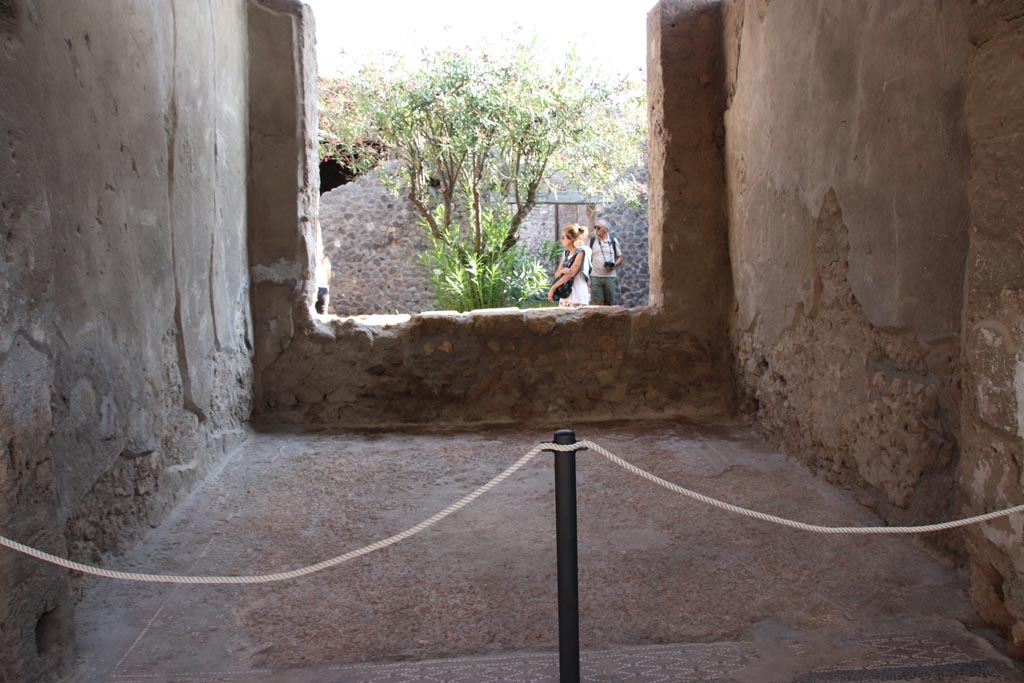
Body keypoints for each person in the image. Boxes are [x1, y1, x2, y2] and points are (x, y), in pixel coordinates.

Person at [548, 224, 592, 307]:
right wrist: (562, 271)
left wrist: (553, 287)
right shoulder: (566, 253)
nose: (561, 240)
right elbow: (557, 274)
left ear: (571, 239)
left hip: (578, 295)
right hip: (565, 294)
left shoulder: (581, 252)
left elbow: (571, 273)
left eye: (563, 237)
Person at [589, 219, 623, 305]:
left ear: (605, 229)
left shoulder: (613, 241)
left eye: (598, 227)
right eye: (595, 227)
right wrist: (588, 277)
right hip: (595, 276)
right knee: (597, 303)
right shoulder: (592, 241)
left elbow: (620, 257)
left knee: (609, 303)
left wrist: (614, 264)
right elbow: (587, 258)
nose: (596, 229)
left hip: (610, 277)